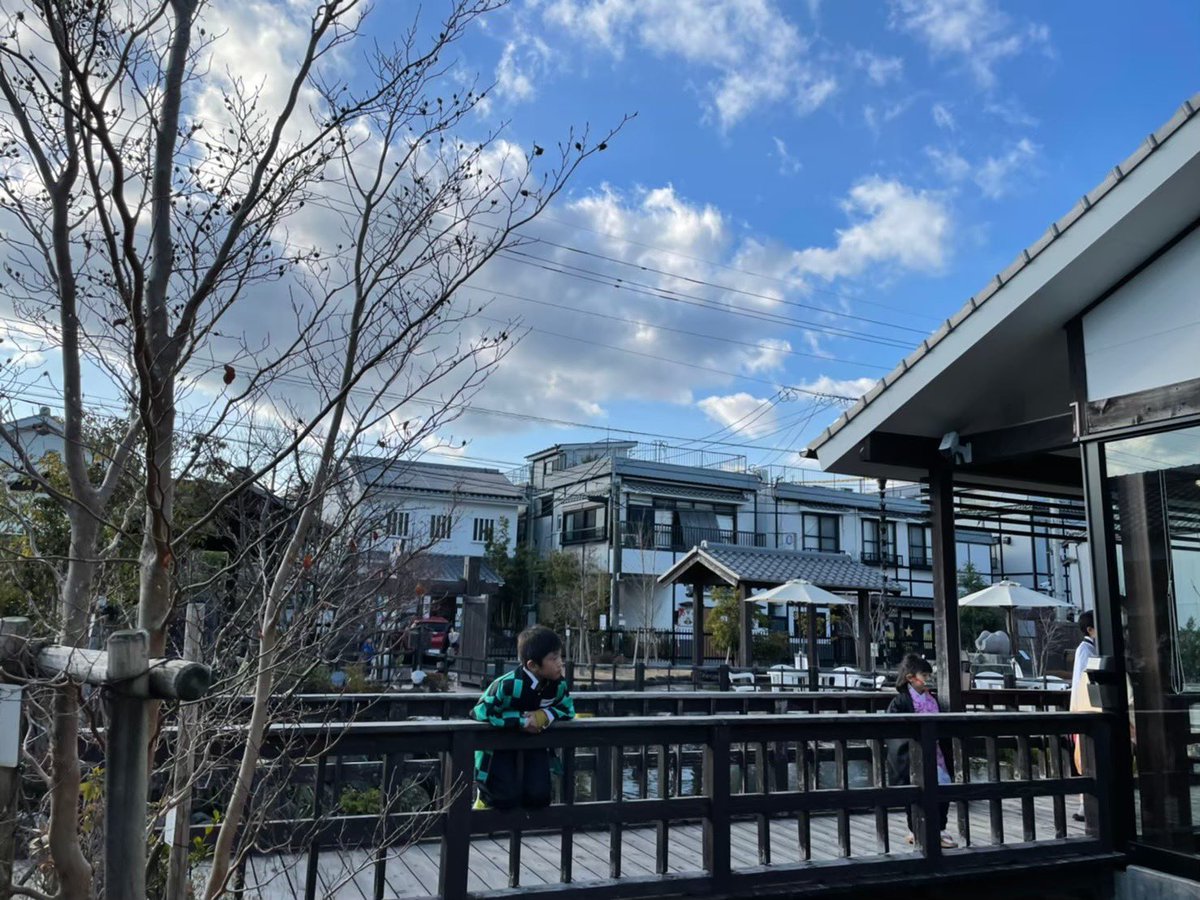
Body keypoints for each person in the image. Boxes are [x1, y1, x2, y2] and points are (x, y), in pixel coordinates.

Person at [471, 625, 574, 810]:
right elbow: (481, 711)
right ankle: (482, 796)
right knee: (503, 798)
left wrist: (544, 715)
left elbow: (567, 708)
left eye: (560, 656)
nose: (560, 663)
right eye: (554, 658)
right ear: (532, 665)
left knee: (539, 796)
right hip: (499, 746)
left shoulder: (557, 685)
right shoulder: (507, 684)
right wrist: (521, 720)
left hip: (535, 744)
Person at [886, 653, 957, 849]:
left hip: (936, 752)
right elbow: (893, 730)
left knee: (943, 785)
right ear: (910, 677)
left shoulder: (931, 699)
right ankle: (915, 829)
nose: (927, 679)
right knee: (915, 790)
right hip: (912, 754)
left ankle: (939, 828)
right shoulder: (900, 702)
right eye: (924, 675)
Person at [1069, 611, 1097, 822]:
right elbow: (1082, 681)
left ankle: (1086, 806)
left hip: (1088, 707)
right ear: (1090, 629)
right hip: (1086, 707)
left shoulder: (1090, 648)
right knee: (1086, 758)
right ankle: (1084, 807)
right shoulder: (1085, 650)